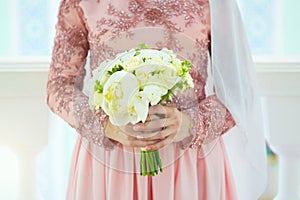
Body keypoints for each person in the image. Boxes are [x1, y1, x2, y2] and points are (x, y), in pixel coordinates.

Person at [47, 0, 267, 199]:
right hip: (111, 158)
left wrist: (191, 124)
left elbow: (238, 92)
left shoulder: (212, 3)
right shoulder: (80, 3)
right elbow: (59, 85)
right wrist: (103, 125)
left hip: (188, 159)